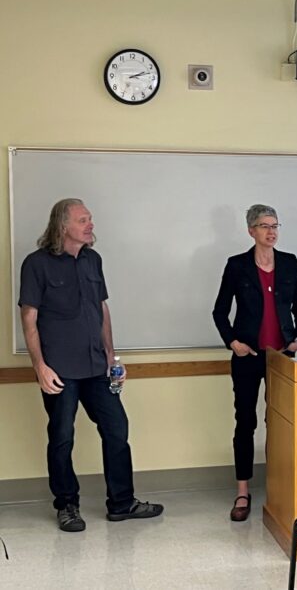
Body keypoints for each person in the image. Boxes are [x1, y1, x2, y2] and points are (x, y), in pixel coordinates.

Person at [18, 198, 164, 532]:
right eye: (83, 220)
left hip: (97, 367)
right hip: (60, 369)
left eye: (90, 219)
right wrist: (40, 366)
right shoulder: (36, 264)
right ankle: (67, 506)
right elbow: (29, 317)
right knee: (62, 437)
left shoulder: (93, 260)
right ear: (63, 226)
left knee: (117, 430)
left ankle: (122, 503)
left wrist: (113, 358)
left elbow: (102, 310)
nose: (90, 225)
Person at [212, 204, 297, 521]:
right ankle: (242, 490)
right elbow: (219, 311)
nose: (272, 231)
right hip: (248, 356)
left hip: (282, 358)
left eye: (275, 225)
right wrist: (233, 342)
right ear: (251, 230)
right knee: (246, 422)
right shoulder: (237, 266)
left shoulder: (290, 264)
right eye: (265, 226)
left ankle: (280, 487)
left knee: (280, 423)